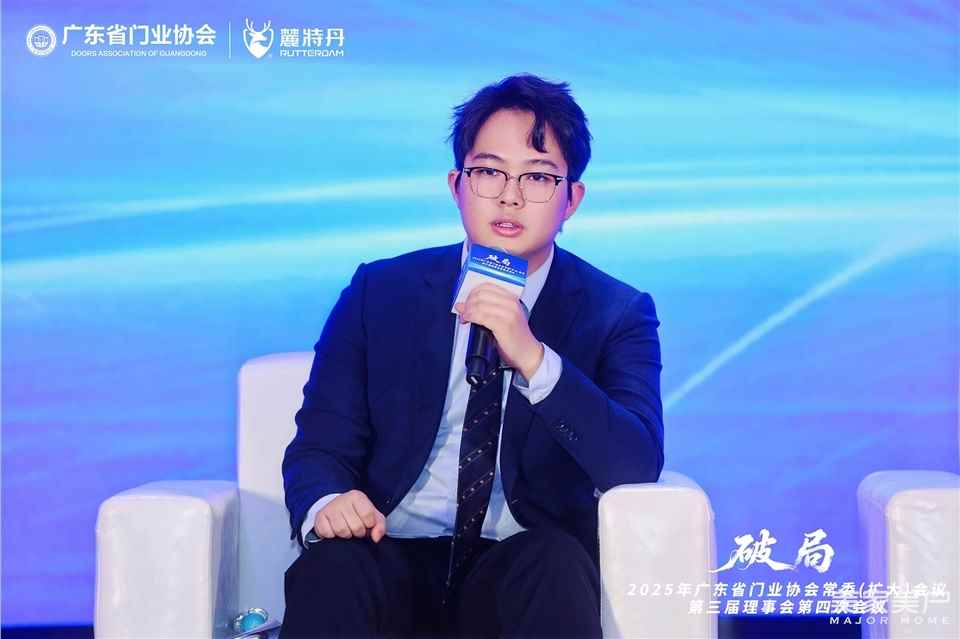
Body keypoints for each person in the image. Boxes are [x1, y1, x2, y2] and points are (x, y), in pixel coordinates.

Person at [280, 74, 664, 639]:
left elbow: (636, 464)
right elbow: (318, 445)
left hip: (521, 566)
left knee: (554, 565)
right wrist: (328, 503)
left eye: (538, 177)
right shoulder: (379, 292)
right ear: (457, 185)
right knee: (332, 567)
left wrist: (535, 359)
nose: (510, 197)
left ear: (572, 200)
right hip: (390, 547)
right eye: (489, 172)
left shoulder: (616, 312)